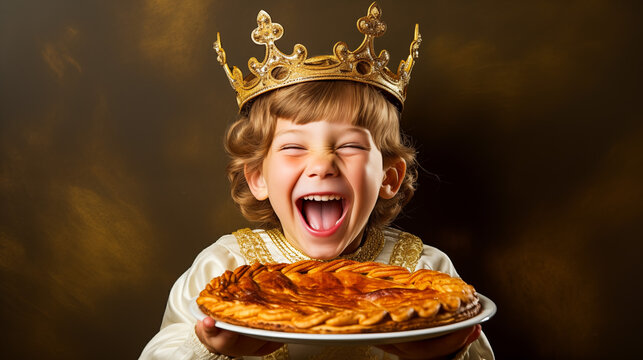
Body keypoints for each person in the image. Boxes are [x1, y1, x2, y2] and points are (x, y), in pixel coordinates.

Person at [140, 3, 493, 359]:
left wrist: (445, 354)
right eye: (294, 147)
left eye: (351, 145)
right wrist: (210, 349)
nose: (323, 165)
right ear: (258, 177)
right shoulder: (224, 268)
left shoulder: (423, 270)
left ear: (389, 177)